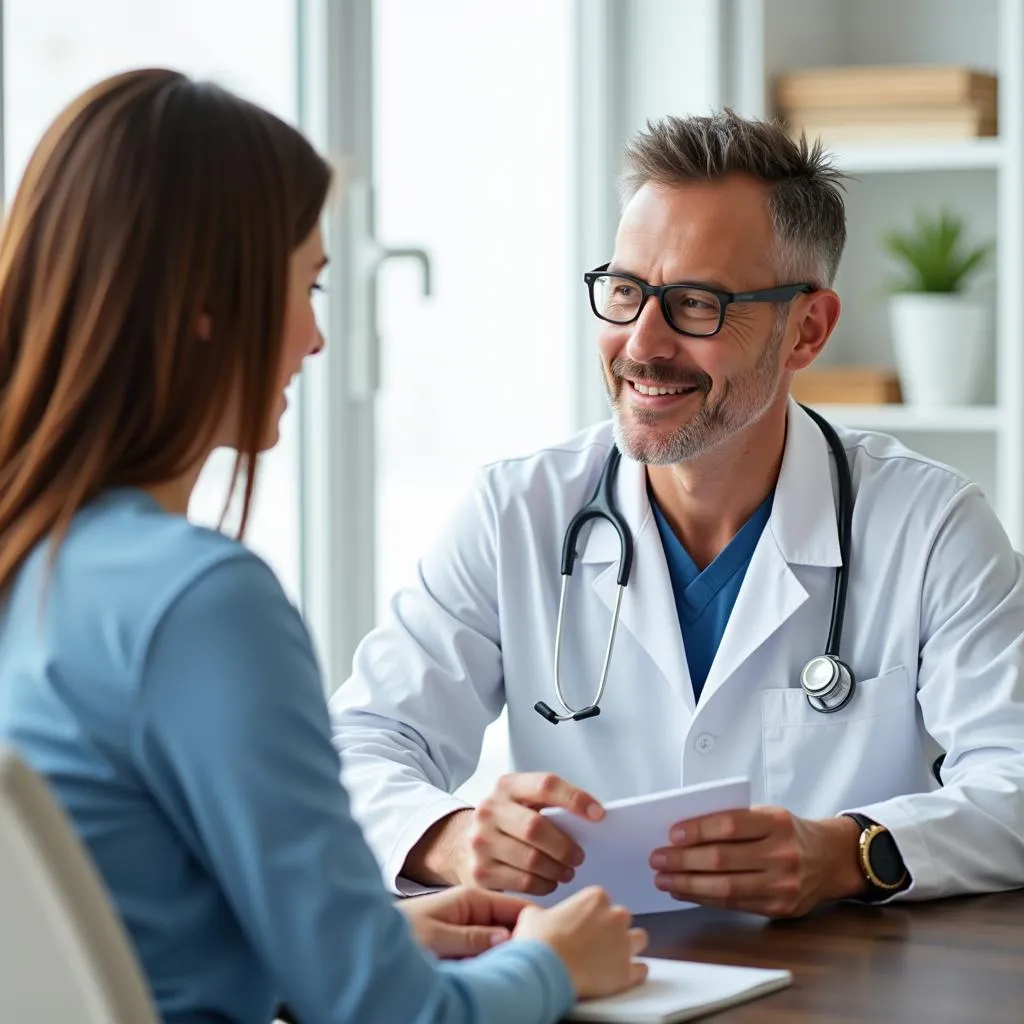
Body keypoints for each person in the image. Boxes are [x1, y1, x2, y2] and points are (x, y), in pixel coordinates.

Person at [0, 68, 649, 1024]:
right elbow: (386, 1015)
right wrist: (555, 962)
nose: (315, 338)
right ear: (206, 306)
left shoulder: (36, 565)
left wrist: (366, 941)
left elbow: (131, 923)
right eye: (306, 286)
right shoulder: (198, 602)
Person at [331, 109, 1024, 918]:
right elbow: (356, 746)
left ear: (808, 329)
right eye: (625, 292)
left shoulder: (930, 525)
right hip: (586, 979)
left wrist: (846, 852)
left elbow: (1013, 779)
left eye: (696, 303)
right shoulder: (515, 513)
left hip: (838, 988)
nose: (641, 343)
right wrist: (448, 836)